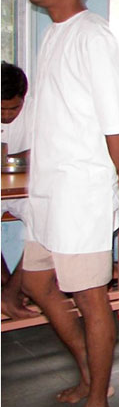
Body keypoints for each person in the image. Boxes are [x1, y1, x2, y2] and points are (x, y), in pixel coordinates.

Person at [21, 0, 119, 407]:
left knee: (91, 298)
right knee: (36, 284)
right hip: (49, 188)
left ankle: (98, 401)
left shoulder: (93, 35)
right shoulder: (54, 33)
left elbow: (115, 119)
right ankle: (90, 375)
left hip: (80, 192)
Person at [1, 61, 38, 319]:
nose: (6, 115)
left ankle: (15, 289)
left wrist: (8, 160)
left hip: (26, 190)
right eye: (1, 109)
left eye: (13, 108)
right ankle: (7, 289)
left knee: (50, 222)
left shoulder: (37, 110)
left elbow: (44, 152)